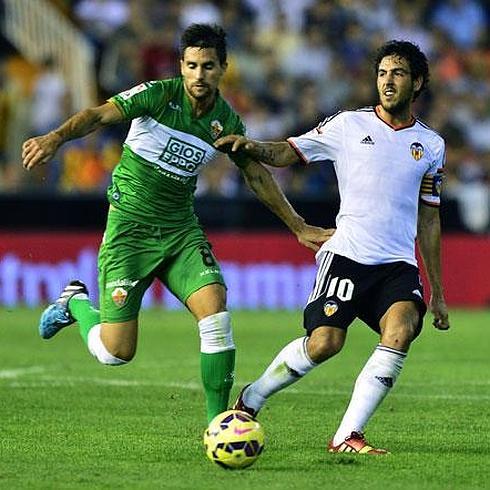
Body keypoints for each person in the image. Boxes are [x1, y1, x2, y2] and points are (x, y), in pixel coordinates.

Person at [21, 24, 331, 423]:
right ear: (181, 66)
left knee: (215, 310)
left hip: (180, 232)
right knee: (115, 353)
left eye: (207, 66)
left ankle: (219, 425)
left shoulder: (225, 122)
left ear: (223, 68)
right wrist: (55, 138)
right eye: (191, 65)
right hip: (129, 233)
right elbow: (97, 115)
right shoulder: (157, 95)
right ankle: (75, 304)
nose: (198, 75)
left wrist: (297, 224)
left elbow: (256, 175)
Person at [215, 40, 450, 453]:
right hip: (347, 255)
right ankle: (253, 397)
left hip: (396, 263)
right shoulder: (348, 126)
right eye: (382, 73)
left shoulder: (431, 146)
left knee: (401, 331)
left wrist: (439, 293)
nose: (387, 81)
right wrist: (253, 147)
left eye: (397, 73)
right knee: (325, 343)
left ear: (418, 83)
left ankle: (347, 435)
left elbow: (429, 219)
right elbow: (290, 151)